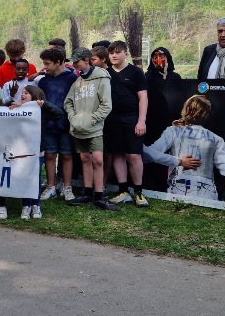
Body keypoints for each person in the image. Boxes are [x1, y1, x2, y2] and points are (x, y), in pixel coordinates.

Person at [143, 95, 225, 200]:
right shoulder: (216, 139)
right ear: (206, 114)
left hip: (178, 189)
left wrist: (177, 161)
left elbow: (147, 155)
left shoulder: (173, 131)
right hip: (207, 192)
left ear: (186, 109)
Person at [65, 50, 118, 211]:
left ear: (86, 60)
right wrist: (74, 118)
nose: (74, 65)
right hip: (78, 127)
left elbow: (106, 105)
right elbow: (68, 102)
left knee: (98, 160)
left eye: (77, 62)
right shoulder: (78, 81)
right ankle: (87, 193)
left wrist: (92, 119)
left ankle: (99, 196)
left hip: (94, 128)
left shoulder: (102, 78)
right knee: (85, 159)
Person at [8, 85, 64, 219]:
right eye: (22, 93)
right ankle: (26, 206)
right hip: (21, 151)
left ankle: (36, 205)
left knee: (35, 178)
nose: (22, 95)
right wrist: (12, 103)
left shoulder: (41, 111)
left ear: (34, 95)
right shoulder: (18, 109)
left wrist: (45, 104)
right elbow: (1, 109)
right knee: (24, 178)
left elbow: (59, 114)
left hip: (37, 151)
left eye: (26, 93)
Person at [104, 41, 149, 207]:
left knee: (134, 156)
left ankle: (138, 192)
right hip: (111, 119)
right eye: (111, 53)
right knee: (117, 155)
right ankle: (123, 191)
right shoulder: (105, 73)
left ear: (126, 54)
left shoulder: (136, 72)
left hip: (132, 118)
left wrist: (141, 121)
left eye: (117, 52)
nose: (114, 55)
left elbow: (143, 98)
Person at [37, 48, 79, 201]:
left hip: (67, 124)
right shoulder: (43, 81)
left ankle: (67, 187)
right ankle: (50, 187)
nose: (45, 67)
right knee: (50, 155)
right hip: (48, 124)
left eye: (48, 64)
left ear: (59, 62)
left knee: (67, 155)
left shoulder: (72, 79)